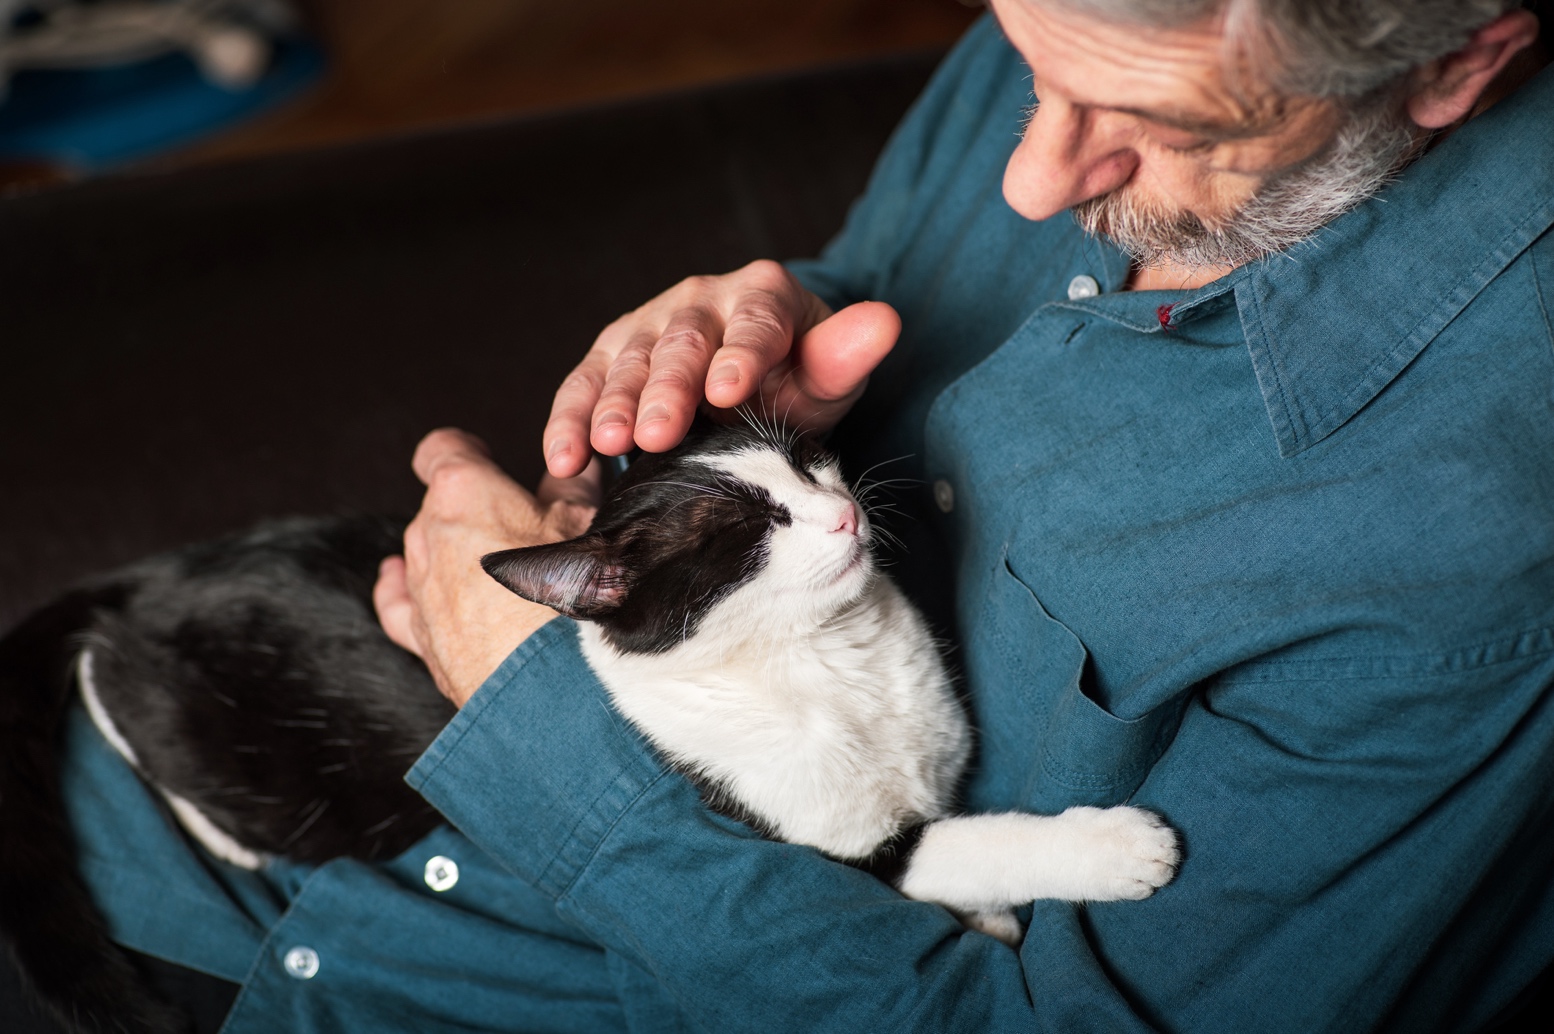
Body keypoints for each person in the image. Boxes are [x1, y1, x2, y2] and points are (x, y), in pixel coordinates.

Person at [52, 1, 1554, 1031]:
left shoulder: (1464, 550)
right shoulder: (1122, 25)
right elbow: (870, 274)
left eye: (1153, 127)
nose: (1029, 180)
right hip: (157, 770)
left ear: (1453, 66)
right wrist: (758, 334)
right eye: (1020, 61)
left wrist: (520, 705)